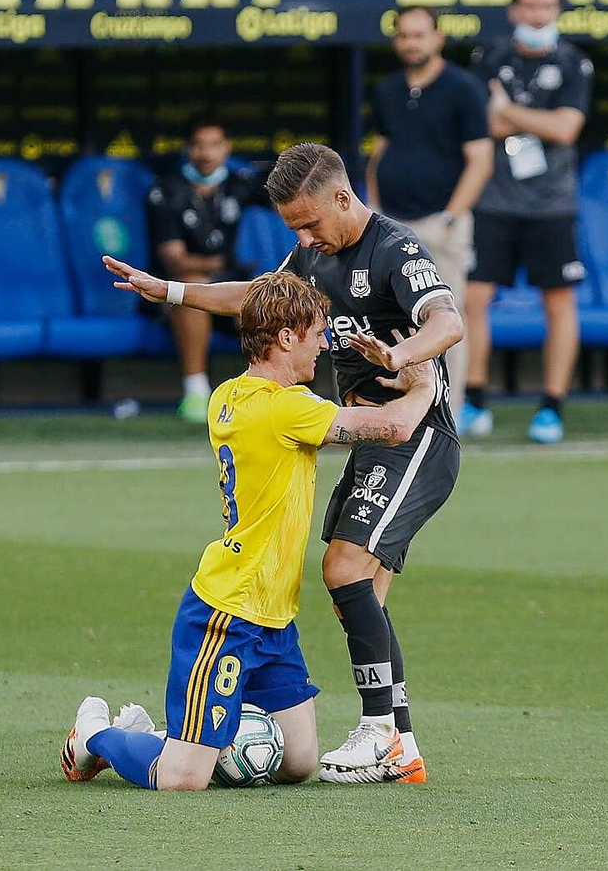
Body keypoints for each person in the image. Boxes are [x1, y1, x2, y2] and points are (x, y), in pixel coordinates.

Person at [106, 144, 464, 785]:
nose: (302, 240)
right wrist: (172, 291)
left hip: (415, 434)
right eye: (292, 229)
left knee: (345, 567)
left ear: (343, 199)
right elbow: (264, 299)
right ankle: (397, 741)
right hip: (371, 433)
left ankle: (382, 733)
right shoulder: (314, 256)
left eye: (308, 224)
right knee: (363, 591)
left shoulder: (394, 250)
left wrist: (400, 357)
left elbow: (448, 319)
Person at [62, 271, 437, 790]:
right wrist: (425, 387)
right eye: (316, 333)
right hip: (227, 612)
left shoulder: (228, 396)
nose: (323, 345)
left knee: (299, 761)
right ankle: (95, 735)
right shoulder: (286, 407)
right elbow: (395, 429)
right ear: (285, 337)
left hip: (272, 616)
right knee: (182, 778)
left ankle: (186, 736)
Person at [464, 0, 593, 444]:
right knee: (471, 298)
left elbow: (565, 129)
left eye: (547, 7)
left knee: (559, 302)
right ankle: (473, 399)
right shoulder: (489, 58)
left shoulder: (573, 63)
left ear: (557, 11)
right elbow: (481, 122)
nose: (538, 16)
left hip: (552, 205)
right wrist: (526, 118)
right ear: (514, 11)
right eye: (530, 7)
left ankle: (551, 408)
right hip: (493, 200)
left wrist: (511, 113)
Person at [366, 5, 494, 420]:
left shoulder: (464, 88)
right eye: (404, 35)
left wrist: (450, 219)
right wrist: (374, 210)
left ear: (438, 38)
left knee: (445, 319)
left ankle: (448, 415)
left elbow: (480, 160)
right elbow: (380, 153)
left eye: (419, 35)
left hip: (441, 224)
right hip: (392, 224)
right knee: (390, 320)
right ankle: (405, 410)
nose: (411, 43)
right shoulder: (387, 89)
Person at [147, 119, 268, 423]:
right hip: (166, 294)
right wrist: (219, 265)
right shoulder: (165, 190)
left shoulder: (239, 183)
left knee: (265, 299)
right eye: (199, 145)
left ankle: (267, 393)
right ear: (188, 149)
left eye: (215, 144)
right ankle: (196, 392)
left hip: (227, 284)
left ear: (226, 147)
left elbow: (291, 198)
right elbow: (176, 262)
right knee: (190, 286)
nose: (206, 153)